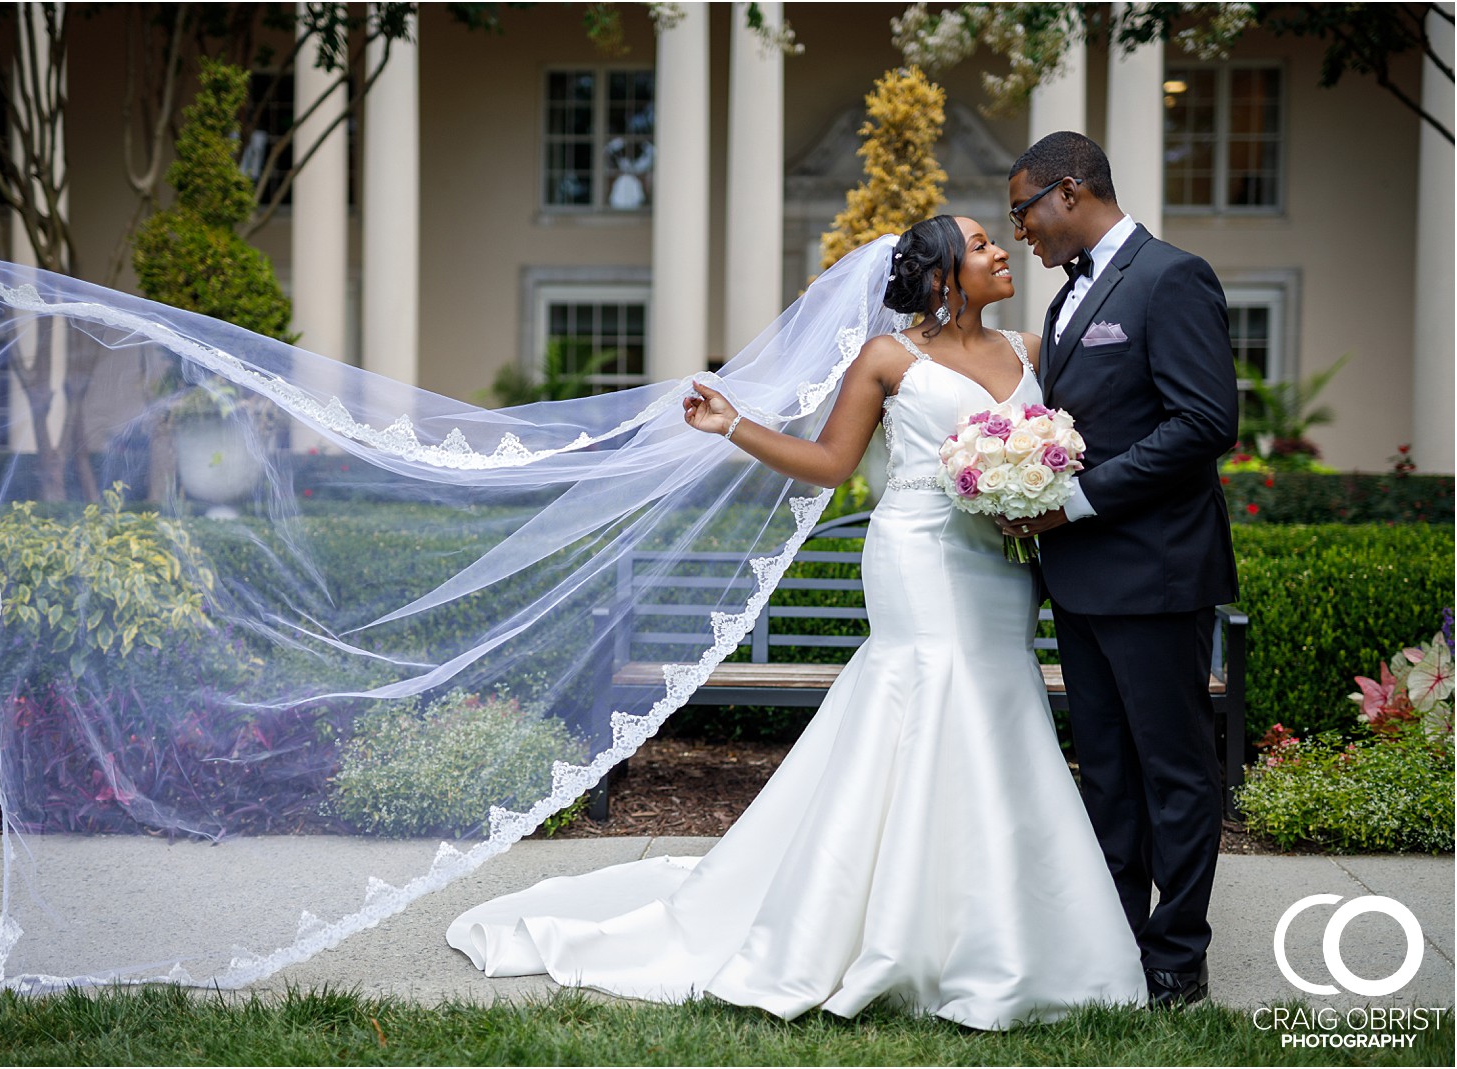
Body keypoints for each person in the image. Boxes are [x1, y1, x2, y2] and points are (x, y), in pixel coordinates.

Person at [445, 215, 1148, 1028]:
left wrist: (1036, 474)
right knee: (929, 699)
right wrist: (734, 425)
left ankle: (1000, 926)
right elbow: (832, 464)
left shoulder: (1032, 349)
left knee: (997, 712)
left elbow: (1063, 443)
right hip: (918, 557)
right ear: (943, 277)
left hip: (1001, 565)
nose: (1000, 252)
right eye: (983, 243)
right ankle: (896, 935)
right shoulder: (888, 359)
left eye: (999, 238)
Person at [998, 132, 1239, 1008]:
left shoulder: (1171, 276)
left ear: (1067, 192)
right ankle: (1118, 943)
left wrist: (1079, 501)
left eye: (1022, 210)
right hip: (1081, 578)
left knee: (1173, 770)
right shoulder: (1067, 302)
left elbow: (1204, 423)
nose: (1019, 229)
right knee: (1104, 767)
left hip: (1156, 572)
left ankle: (1177, 958)